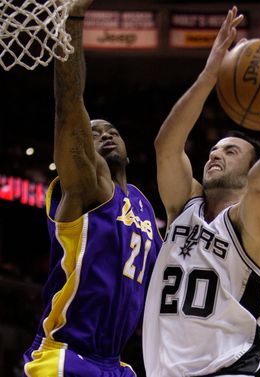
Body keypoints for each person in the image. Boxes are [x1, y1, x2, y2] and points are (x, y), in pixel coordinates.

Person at [142, 6, 260, 377]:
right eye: (213, 150)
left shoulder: (253, 223)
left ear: (251, 167)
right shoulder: (183, 205)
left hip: (228, 371)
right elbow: (166, 147)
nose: (216, 154)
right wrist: (208, 75)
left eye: (230, 151)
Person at [23, 0, 162, 376]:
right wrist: (74, 19)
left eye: (112, 131)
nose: (104, 136)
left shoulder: (146, 207)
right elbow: (70, 107)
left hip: (116, 363)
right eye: (95, 132)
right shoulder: (88, 188)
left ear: (130, 153)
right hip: (65, 355)